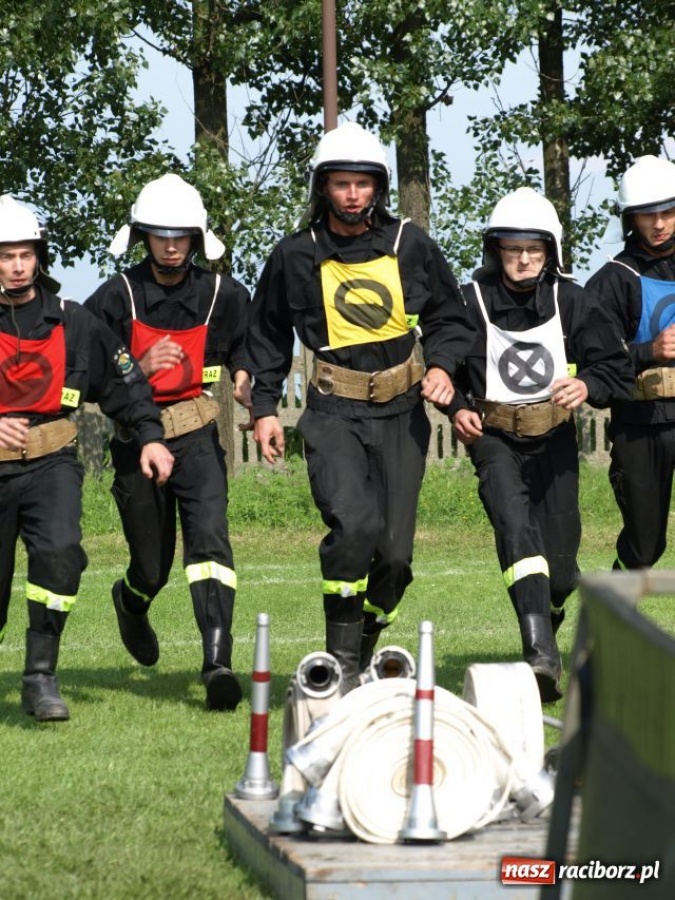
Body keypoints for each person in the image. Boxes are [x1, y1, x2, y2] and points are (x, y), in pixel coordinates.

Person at [246, 121, 475, 691]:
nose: (352, 195)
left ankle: (368, 633)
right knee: (354, 527)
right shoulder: (295, 254)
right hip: (332, 414)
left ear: (379, 187)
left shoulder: (410, 245)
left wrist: (442, 366)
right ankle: (341, 667)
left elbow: (450, 318)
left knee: (395, 558)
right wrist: (265, 409)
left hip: (401, 413)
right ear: (322, 187)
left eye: (363, 183)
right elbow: (267, 336)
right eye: (341, 183)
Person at [448, 187, 633, 702]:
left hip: (555, 439)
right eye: (513, 249)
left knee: (562, 569)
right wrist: (457, 406)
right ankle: (540, 655)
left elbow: (615, 368)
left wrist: (587, 385)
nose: (524, 259)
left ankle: (547, 619)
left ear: (550, 251)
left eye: (534, 248)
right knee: (515, 529)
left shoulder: (573, 300)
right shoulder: (468, 300)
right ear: (496, 250)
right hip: (493, 438)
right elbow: (442, 360)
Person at [0, 194, 173, 722]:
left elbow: (127, 384)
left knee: (59, 554)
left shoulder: (74, 321)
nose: (16, 266)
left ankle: (40, 677)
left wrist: (150, 436)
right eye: (5, 256)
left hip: (52, 463)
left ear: (40, 257)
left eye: (25, 254)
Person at [84, 174, 251, 712]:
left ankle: (217, 662)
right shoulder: (116, 296)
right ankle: (130, 602)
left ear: (197, 238)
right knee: (151, 568)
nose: (172, 246)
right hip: (137, 442)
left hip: (199, 436)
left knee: (210, 544)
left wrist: (247, 376)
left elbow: (251, 346)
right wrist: (137, 366)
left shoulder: (223, 294)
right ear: (143, 237)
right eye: (161, 235)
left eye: (181, 236)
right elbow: (82, 368)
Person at [586, 155, 675, 572]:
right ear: (630, 219)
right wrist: (648, 352)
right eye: (647, 215)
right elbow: (594, 363)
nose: (659, 224)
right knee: (644, 546)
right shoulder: (612, 280)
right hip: (640, 422)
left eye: (668, 211)